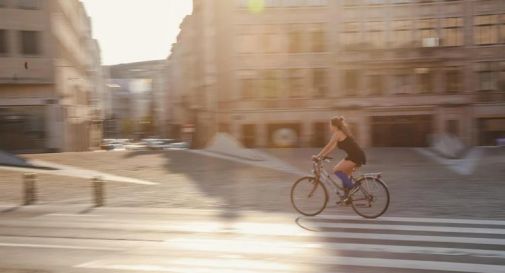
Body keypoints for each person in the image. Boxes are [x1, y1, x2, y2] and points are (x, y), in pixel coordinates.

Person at [312, 116, 366, 200]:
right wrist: (323, 156)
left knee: (336, 170)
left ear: (335, 126)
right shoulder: (340, 133)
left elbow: (328, 146)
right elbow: (332, 147)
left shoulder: (337, 133)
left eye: (330, 125)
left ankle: (352, 187)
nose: (329, 126)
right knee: (344, 174)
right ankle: (347, 198)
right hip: (353, 155)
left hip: (356, 156)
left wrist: (317, 156)